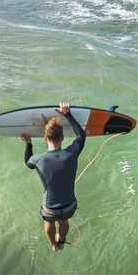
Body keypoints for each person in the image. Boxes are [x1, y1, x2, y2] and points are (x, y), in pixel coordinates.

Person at [20, 103, 86, 252]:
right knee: (64, 221)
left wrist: (28, 144)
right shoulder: (72, 154)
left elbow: (27, 162)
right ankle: (61, 241)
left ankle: (53, 245)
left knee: (49, 222)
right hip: (69, 206)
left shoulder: (38, 160)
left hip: (50, 209)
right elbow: (81, 136)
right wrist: (67, 114)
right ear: (62, 137)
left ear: (45, 138)